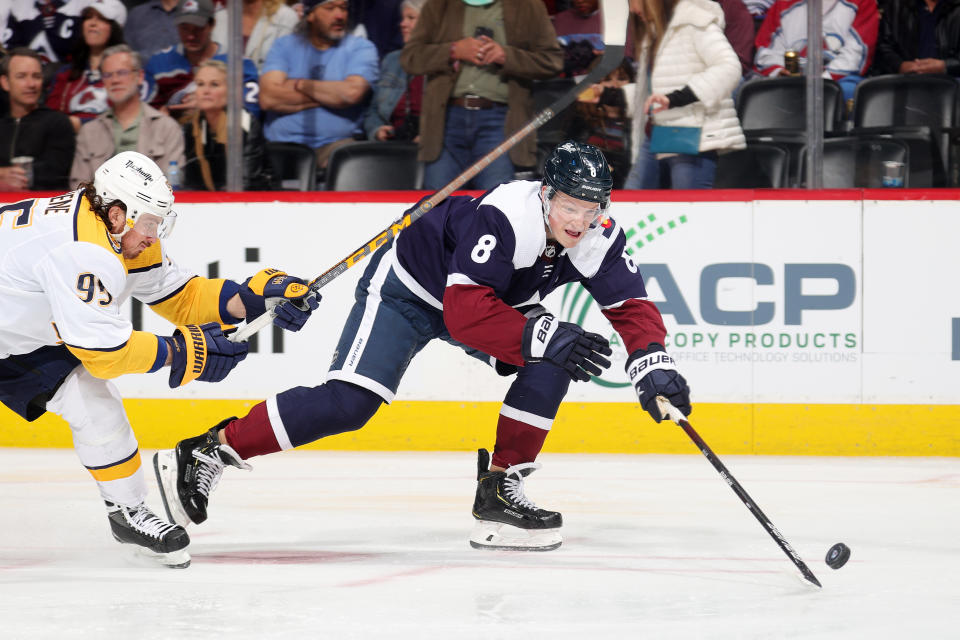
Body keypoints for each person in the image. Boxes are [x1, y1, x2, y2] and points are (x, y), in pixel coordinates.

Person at [153, 141, 692, 552]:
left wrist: (654, 363)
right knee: (350, 404)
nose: (581, 221)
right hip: (409, 290)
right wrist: (544, 330)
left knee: (553, 358)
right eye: (570, 206)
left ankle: (500, 488)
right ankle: (213, 446)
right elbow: (464, 313)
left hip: (482, 299)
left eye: (592, 208)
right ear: (547, 194)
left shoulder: (599, 234)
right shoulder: (507, 216)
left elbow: (630, 306)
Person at [0, 150, 318, 568]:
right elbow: (103, 354)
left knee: (93, 400)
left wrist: (252, 297)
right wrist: (184, 352)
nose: (154, 234)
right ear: (117, 214)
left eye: (158, 222)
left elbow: (182, 298)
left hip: (15, 337)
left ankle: (127, 511)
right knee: (94, 382)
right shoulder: (83, 250)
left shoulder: (117, 228)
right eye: (150, 222)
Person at [400, 0, 563, 190]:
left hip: (501, 121)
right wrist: (453, 51)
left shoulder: (528, 5)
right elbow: (410, 57)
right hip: (445, 121)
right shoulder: (438, 4)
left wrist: (506, 56)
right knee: (439, 209)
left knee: (494, 206)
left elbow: (553, 61)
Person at [623, 0, 746, 190]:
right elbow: (655, 91)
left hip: (692, 134)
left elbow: (729, 67)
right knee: (634, 204)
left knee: (688, 210)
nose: (631, 9)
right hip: (657, 132)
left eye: (632, 1)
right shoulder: (655, 32)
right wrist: (611, 96)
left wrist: (676, 98)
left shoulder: (694, 21)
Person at [258, 0, 379, 170]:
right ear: (311, 14)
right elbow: (268, 98)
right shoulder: (284, 46)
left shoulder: (361, 48)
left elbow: (351, 93)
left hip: (338, 147)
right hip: (282, 147)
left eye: (343, 8)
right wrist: (332, 95)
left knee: (349, 164)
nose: (339, 15)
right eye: (330, 8)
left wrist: (301, 84)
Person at [70, 45, 185, 188]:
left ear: (140, 77)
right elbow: (78, 188)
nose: (115, 80)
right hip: (99, 208)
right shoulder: (89, 132)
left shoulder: (166, 128)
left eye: (122, 73)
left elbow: (172, 186)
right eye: (108, 75)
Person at [144, 0, 260, 117]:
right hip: (172, 132)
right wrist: (162, 115)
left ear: (212, 25)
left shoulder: (239, 64)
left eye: (198, 28)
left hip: (221, 132)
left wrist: (210, 104)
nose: (191, 36)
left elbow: (251, 113)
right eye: (184, 28)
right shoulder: (158, 62)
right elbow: (142, 110)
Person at [753, 0, 879, 101]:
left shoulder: (862, 2)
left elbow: (855, 55)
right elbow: (767, 52)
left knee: (848, 91)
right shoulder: (783, 4)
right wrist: (779, 72)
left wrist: (823, 80)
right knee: (753, 93)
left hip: (838, 81)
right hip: (788, 82)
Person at [181, 59, 273, 190]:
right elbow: (191, 181)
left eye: (214, 85)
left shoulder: (245, 122)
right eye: (200, 84)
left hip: (252, 202)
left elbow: (247, 181)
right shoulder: (191, 127)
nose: (205, 91)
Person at [46, 0, 128, 133]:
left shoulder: (127, 72)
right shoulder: (65, 74)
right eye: (88, 17)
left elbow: (130, 118)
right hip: (69, 145)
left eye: (101, 18)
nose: (92, 23)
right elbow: (50, 118)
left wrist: (81, 124)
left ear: (116, 26)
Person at [0, 48, 75, 191]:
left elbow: (55, 174)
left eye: (36, 76)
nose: (31, 84)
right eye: (21, 76)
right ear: (5, 82)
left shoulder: (58, 122)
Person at [363, 0, 425, 142]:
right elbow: (372, 111)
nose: (402, 24)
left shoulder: (445, 63)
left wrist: (430, 137)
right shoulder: (391, 60)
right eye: (403, 18)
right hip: (392, 145)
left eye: (411, 18)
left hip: (430, 148)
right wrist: (377, 129)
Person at [872, 0, 960, 77]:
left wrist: (945, 66)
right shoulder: (895, 6)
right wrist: (899, 66)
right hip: (904, 83)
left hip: (952, 84)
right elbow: (882, 47)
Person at [211, 0, 298, 72]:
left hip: (266, 90)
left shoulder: (286, 18)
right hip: (224, 90)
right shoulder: (219, 18)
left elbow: (288, 68)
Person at [1, 0, 88, 64]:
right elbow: (11, 51)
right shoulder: (18, 8)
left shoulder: (85, 6)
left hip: (69, 80)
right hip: (28, 78)